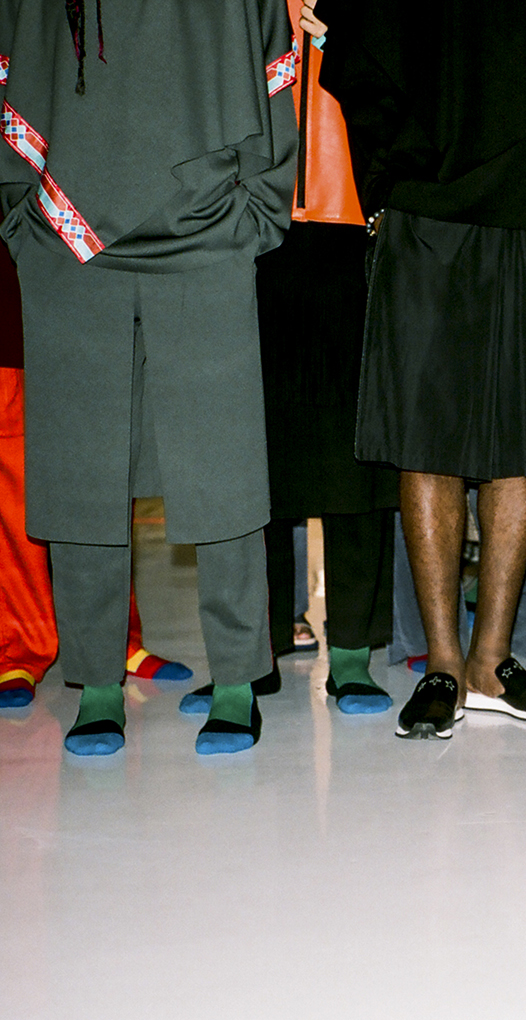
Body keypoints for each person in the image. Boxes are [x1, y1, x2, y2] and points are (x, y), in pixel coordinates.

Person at [320, 1, 526, 739]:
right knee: (427, 436)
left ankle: (490, 662)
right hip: (432, 204)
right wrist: (388, 185)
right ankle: (442, 665)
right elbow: (363, 45)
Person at [0, 0, 296, 754]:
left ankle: (238, 677)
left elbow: (273, 61)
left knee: (223, 463)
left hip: (206, 232)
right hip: (68, 238)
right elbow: (8, 60)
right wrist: (21, 214)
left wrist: (258, 212)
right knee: (81, 467)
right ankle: (97, 680)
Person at [246, 0, 400, 716]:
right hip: (250, 233)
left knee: (355, 455)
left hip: (355, 233)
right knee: (253, 455)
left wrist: (344, 39)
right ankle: (254, 648)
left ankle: (354, 653)